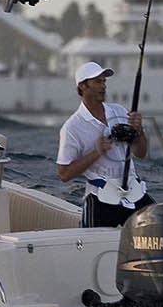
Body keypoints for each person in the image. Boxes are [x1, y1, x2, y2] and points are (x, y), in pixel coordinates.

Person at [57, 61, 153, 227]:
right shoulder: (72, 127)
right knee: (92, 247)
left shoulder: (120, 111)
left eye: (104, 81)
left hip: (134, 192)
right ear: (82, 86)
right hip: (100, 197)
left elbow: (141, 153)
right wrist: (97, 151)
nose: (103, 86)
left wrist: (139, 130)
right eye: (97, 82)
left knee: (162, 227)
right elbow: (64, 174)